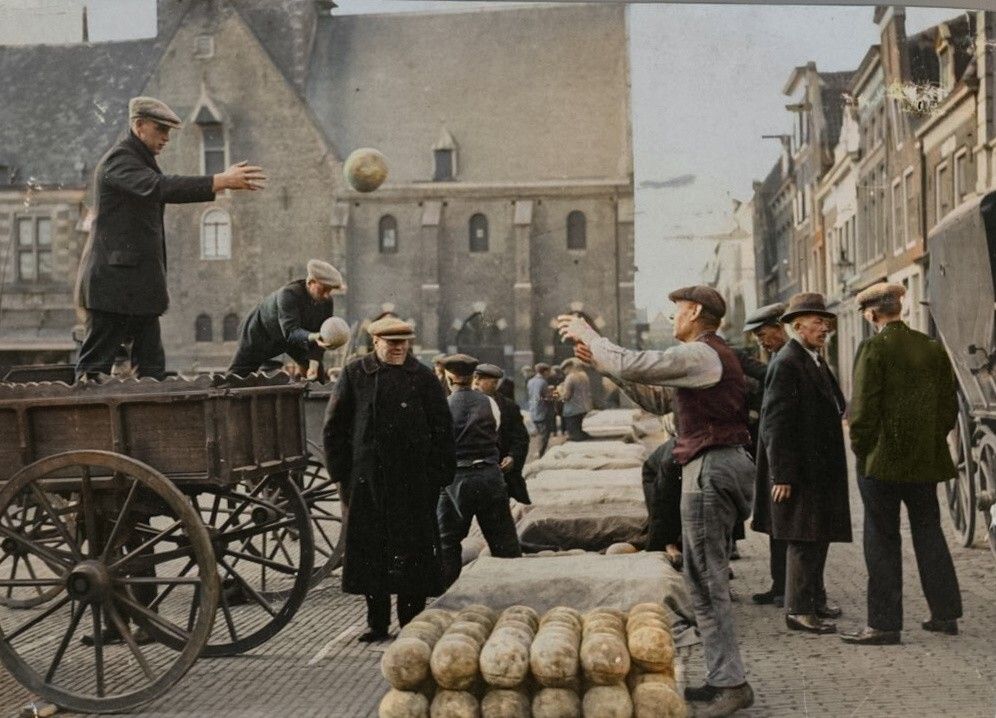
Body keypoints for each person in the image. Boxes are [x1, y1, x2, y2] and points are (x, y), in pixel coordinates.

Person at [559, 284, 755, 717]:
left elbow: (638, 363)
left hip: (710, 466)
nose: (673, 319)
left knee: (706, 580)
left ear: (696, 311)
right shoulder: (707, 358)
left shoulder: (702, 353)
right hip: (717, 463)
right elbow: (658, 399)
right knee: (703, 577)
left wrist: (592, 337)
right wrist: (608, 370)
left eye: (677, 311)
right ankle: (723, 678)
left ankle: (731, 683)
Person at [75, 96, 265, 380]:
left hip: (135, 289)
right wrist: (220, 181)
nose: (166, 137)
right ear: (139, 125)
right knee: (93, 370)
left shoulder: (139, 160)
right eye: (160, 129)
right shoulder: (120, 160)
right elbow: (159, 187)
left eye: (168, 131)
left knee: (152, 370)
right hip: (113, 289)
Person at [841, 283, 962, 645]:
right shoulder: (931, 347)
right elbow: (949, 406)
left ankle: (884, 624)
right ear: (899, 308)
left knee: (881, 538)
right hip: (925, 461)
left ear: (871, 314)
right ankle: (945, 615)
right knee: (929, 531)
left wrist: (862, 449)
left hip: (881, 463)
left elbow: (862, 410)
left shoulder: (873, 348)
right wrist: (931, 439)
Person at [322, 317, 454, 642]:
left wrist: (439, 476)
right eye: (391, 343)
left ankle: (412, 622)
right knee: (372, 554)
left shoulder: (423, 377)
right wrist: (343, 476)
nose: (398, 348)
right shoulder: (355, 374)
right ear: (376, 342)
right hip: (368, 484)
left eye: (403, 342)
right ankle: (377, 623)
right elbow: (334, 428)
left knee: (414, 554)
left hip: (414, 485)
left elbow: (442, 429)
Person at [754, 293, 850, 636]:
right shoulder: (787, 362)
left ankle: (815, 600)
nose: (825, 328)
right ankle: (798, 610)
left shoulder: (812, 358)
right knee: (802, 537)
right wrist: (781, 475)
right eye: (818, 322)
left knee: (818, 535)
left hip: (817, 469)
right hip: (799, 471)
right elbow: (775, 424)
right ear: (798, 325)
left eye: (826, 322)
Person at [437, 355, 523, 588]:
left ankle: (449, 594)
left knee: (447, 542)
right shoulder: (490, 403)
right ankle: (513, 590)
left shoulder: (442, 406)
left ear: (449, 377)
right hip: (489, 477)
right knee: (504, 542)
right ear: (472, 377)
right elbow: (496, 431)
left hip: (455, 480)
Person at [741, 302, 790, 608]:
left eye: (763, 334)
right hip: (771, 454)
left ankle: (790, 588)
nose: (761, 341)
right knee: (775, 523)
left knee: (784, 524)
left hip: (782, 457)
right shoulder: (777, 357)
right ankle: (779, 584)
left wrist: (739, 360)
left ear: (780, 327)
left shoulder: (786, 359)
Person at [228, 260, 342, 379]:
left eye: (329, 290)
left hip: (291, 338)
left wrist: (313, 365)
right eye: (323, 289)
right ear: (310, 282)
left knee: (317, 375)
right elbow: (291, 332)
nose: (326, 295)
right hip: (259, 333)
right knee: (237, 377)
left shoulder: (326, 302)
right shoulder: (289, 294)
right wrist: (315, 336)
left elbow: (320, 334)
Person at [473, 363, 531, 506]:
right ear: (477, 380)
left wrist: (512, 457)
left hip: (505, 474)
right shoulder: (466, 405)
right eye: (491, 382)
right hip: (475, 475)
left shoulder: (509, 406)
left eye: (496, 382)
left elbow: (521, 438)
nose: (495, 385)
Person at [557, 358, 593, 441]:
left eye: (564, 369)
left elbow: (567, 396)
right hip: (584, 406)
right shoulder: (584, 375)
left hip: (572, 408)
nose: (564, 372)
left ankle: (577, 437)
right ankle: (581, 435)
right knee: (578, 425)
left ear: (569, 367)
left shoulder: (570, 377)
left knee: (573, 429)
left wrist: (560, 395)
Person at [527, 363, 556, 456]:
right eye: (548, 371)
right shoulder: (543, 382)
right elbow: (546, 398)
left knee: (539, 433)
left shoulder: (530, 381)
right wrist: (554, 395)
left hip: (533, 410)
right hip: (543, 410)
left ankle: (538, 451)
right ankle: (540, 453)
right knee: (544, 434)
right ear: (545, 371)